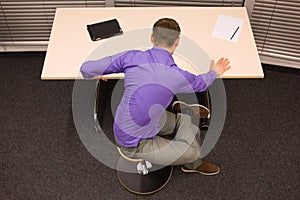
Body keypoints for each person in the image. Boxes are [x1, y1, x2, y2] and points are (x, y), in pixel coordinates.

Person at [80, 18, 231, 175]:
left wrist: (96, 73)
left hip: (150, 118)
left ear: (152, 37)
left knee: (187, 121)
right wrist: (215, 71)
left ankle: (182, 123)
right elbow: (200, 84)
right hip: (133, 143)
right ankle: (192, 163)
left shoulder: (131, 57)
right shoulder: (176, 74)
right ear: (177, 42)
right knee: (193, 151)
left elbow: (86, 68)